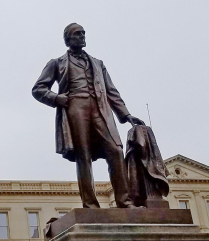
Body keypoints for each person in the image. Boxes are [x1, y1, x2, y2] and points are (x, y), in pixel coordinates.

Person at [32, 23, 145, 208]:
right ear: (68, 39)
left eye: (83, 33)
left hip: (100, 108)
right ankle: (90, 205)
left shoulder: (98, 63)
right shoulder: (57, 62)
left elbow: (111, 91)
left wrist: (126, 115)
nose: (82, 36)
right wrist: (56, 98)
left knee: (116, 150)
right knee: (83, 155)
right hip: (75, 107)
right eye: (78, 34)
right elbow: (38, 89)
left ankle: (124, 201)